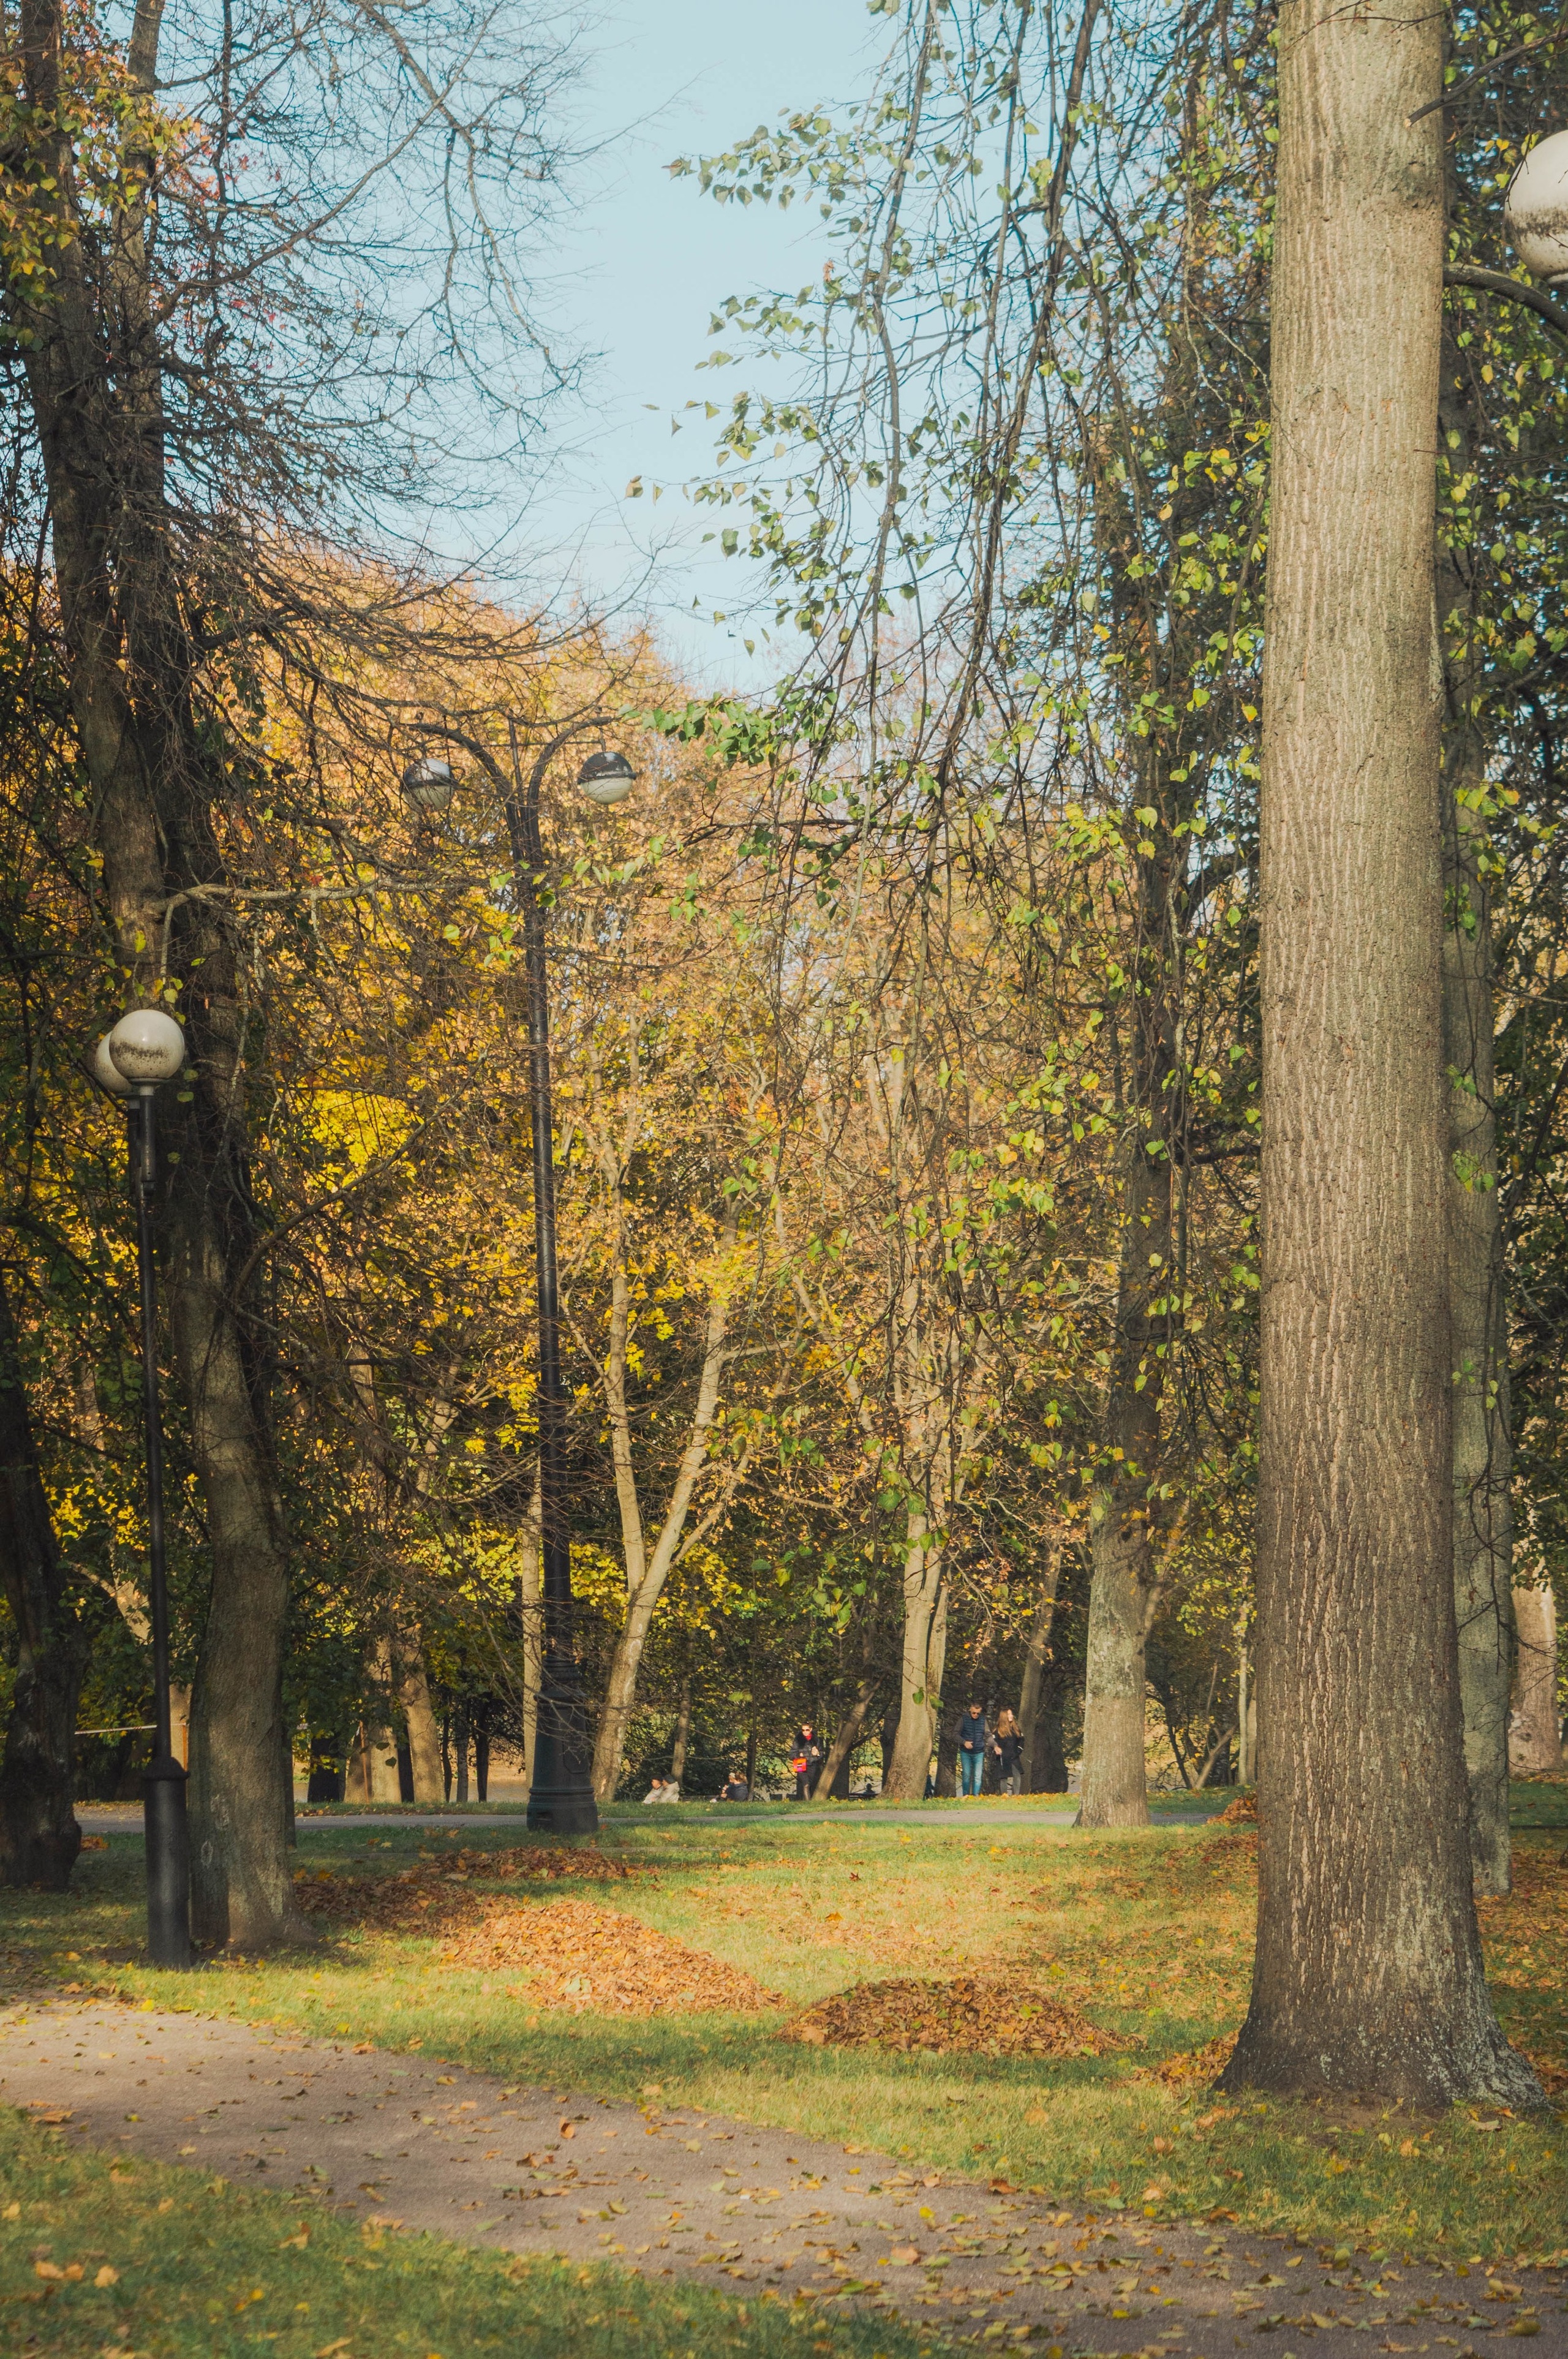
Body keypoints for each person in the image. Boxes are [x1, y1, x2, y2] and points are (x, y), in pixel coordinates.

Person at [957, 1701, 988, 1797]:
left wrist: (995, 1745)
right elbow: (955, 1734)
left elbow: (988, 1734)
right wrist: (964, 1742)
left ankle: (975, 1796)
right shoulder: (963, 1719)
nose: (976, 1715)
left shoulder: (983, 1720)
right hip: (965, 1752)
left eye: (978, 1713)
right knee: (966, 1775)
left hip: (979, 1752)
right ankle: (966, 1795)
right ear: (971, 1710)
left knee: (978, 1776)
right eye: (974, 1713)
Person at [992, 1707, 1023, 1796]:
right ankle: (1004, 1796)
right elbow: (994, 1742)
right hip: (1003, 1756)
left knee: (1017, 1774)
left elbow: (1022, 1740)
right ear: (1004, 1716)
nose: (1011, 1716)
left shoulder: (1015, 1728)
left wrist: (1019, 1750)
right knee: (1003, 1777)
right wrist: (996, 1750)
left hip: (1014, 1755)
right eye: (1009, 1714)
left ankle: (1016, 1795)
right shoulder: (997, 1730)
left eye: (1011, 1714)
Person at [791, 1724, 823, 1800]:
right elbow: (792, 1754)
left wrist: (817, 1754)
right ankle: (808, 1802)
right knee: (806, 1784)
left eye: (807, 1730)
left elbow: (821, 1753)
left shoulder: (816, 1740)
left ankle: (805, 1800)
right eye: (803, 1730)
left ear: (811, 1729)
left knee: (810, 1784)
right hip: (801, 1764)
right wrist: (799, 1755)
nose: (805, 1732)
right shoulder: (798, 1740)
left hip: (812, 1764)